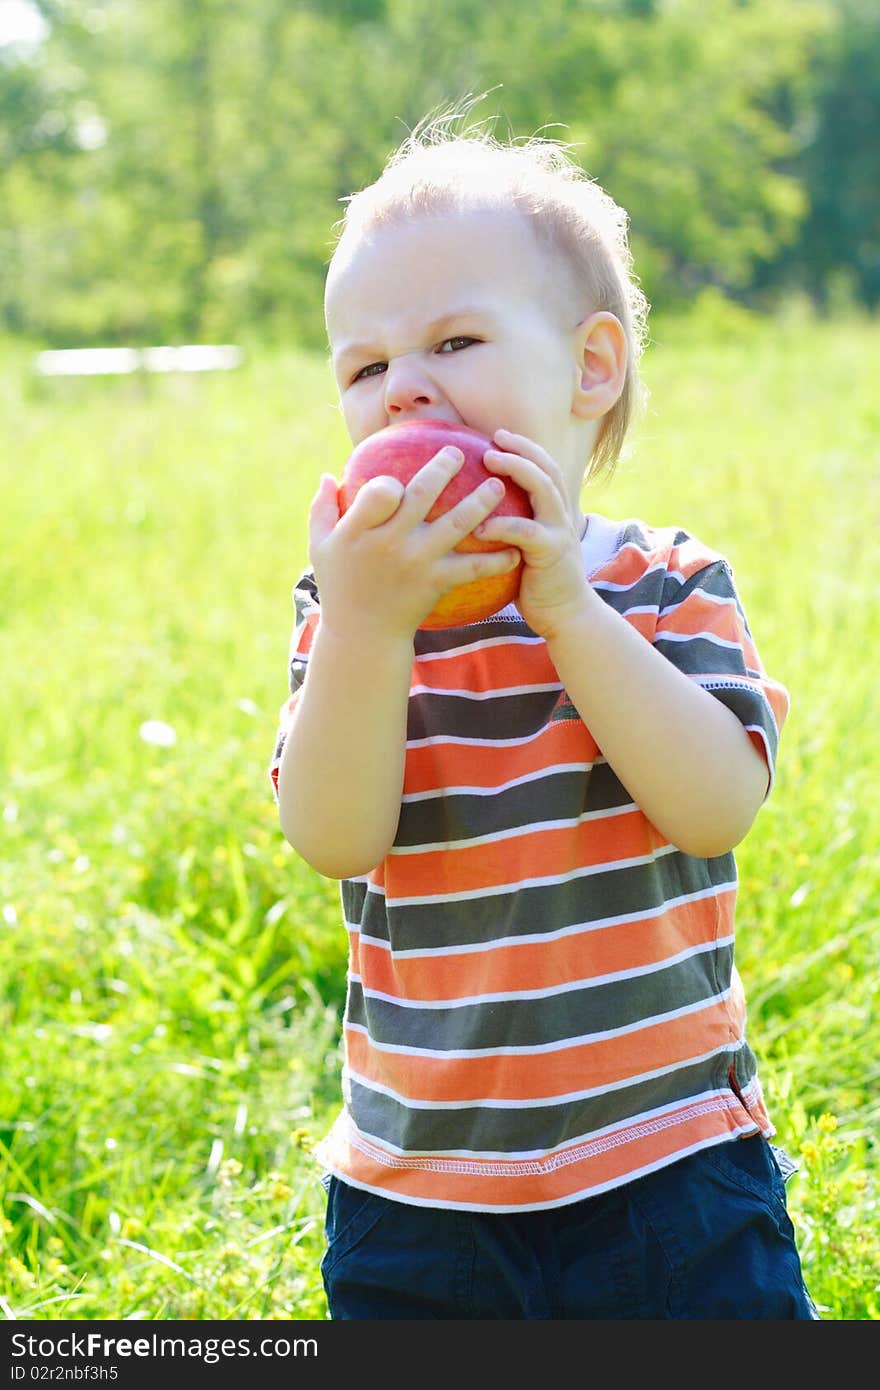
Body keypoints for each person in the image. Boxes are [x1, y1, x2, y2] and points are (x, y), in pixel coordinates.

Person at [270, 110, 817, 1320]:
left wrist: (565, 602)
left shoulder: (666, 582)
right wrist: (364, 627)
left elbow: (715, 805)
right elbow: (334, 837)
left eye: (453, 341)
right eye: (364, 369)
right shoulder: (357, 616)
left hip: (670, 1168)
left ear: (590, 367)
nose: (404, 387)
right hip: (423, 1198)